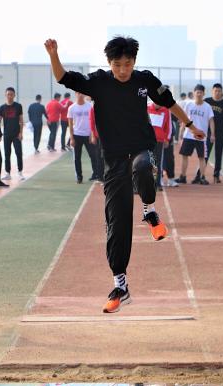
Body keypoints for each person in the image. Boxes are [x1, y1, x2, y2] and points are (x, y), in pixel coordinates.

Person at [46, 36, 204, 313]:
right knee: (116, 225)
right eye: (117, 65)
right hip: (113, 161)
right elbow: (63, 78)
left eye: (127, 64)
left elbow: (169, 103)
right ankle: (121, 285)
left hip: (143, 149)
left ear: (134, 62)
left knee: (142, 167)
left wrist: (190, 125)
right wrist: (53, 55)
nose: (122, 70)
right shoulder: (99, 82)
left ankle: (150, 211)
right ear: (109, 63)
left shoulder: (145, 80)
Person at [178, 84, 214, 185]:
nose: (199, 94)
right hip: (188, 135)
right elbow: (184, 118)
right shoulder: (189, 104)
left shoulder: (207, 107)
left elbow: (211, 121)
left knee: (202, 157)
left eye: (201, 92)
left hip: (201, 137)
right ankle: (183, 176)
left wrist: (212, 134)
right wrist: (181, 130)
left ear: (204, 94)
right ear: (194, 93)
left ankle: (202, 177)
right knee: (185, 155)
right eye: (197, 92)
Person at [67, 92, 97, 183]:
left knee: (93, 155)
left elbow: (93, 121)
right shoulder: (71, 108)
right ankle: (79, 177)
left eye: (82, 93)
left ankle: (95, 174)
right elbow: (70, 124)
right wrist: (72, 138)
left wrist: (92, 134)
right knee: (77, 158)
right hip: (77, 135)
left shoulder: (90, 106)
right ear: (76, 94)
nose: (80, 95)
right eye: (78, 93)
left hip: (88, 135)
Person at [205, 83, 223, 183]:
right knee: (205, 153)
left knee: (218, 154)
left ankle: (216, 175)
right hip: (208, 132)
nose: (217, 93)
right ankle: (200, 174)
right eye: (215, 91)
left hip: (220, 132)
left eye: (219, 91)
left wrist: (219, 116)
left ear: (222, 92)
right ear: (212, 91)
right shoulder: (207, 101)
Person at [0, 87, 25, 181]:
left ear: (14, 95)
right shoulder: (2, 107)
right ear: (5, 95)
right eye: (8, 94)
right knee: (7, 154)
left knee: (19, 153)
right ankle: (7, 173)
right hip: (6, 135)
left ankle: (20, 172)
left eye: (11, 94)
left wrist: (21, 133)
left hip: (16, 134)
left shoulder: (18, 106)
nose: (9, 96)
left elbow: (21, 120)